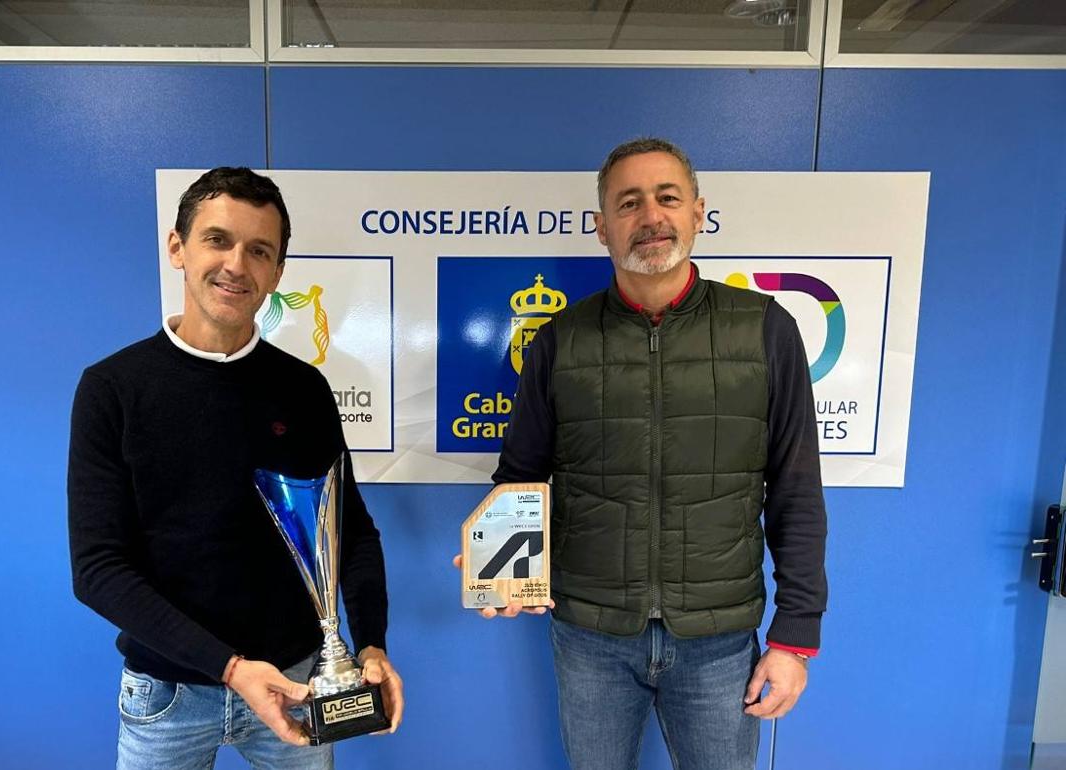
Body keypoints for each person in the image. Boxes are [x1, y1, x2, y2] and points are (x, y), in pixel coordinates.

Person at [465, 137, 827, 770]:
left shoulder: (765, 328)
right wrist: (502, 568)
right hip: (590, 638)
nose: (650, 216)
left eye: (667, 197)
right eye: (628, 203)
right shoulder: (559, 341)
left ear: (698, 212)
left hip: (719, 640)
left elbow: (795, 489)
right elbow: (521, 477)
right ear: (602, 227)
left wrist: (795, 635)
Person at [68, 167, 403, 770]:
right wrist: (229, 668)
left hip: (301, 686)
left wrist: (372, 643)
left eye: (259, 251)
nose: (236, 265)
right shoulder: (112, 389)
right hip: (168, 696)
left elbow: (350, 532)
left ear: (277, 272)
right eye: (217, 240)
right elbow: (97, 570)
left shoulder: (303, 389)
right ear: (178, 247)